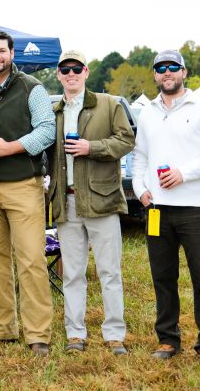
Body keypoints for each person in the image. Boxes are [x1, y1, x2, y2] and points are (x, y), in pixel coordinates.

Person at [132, 50, 200, 367]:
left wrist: (183, 173)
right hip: (157, 209)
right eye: (160, 68)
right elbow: (140, 156)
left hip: (195, 209)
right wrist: (140, 189)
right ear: (156, 75)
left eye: (173, 67)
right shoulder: (147, 112)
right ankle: (167, 339)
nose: (167, 72)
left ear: (184, 72)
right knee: (163, 277)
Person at [0, 30, 56, 356]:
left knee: (31, 259)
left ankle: (38, 334)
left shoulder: (32, 88)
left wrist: (11, 148)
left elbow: (47, 130)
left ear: (12, 53)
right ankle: (2, 328)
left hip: (23, 184)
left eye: (2, 51)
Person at [46, 50, 134, 355]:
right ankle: (75, 334)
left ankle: (114, 335)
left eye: (76, 69)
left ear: (86, 72)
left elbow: (126, 140)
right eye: (64, 69)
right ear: (58, 74)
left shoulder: (109, 104)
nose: (70, 74)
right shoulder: (54, 109)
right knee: (72, 273)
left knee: (109, 271)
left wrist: (91, 147)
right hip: (66, 203)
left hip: (102, 200)